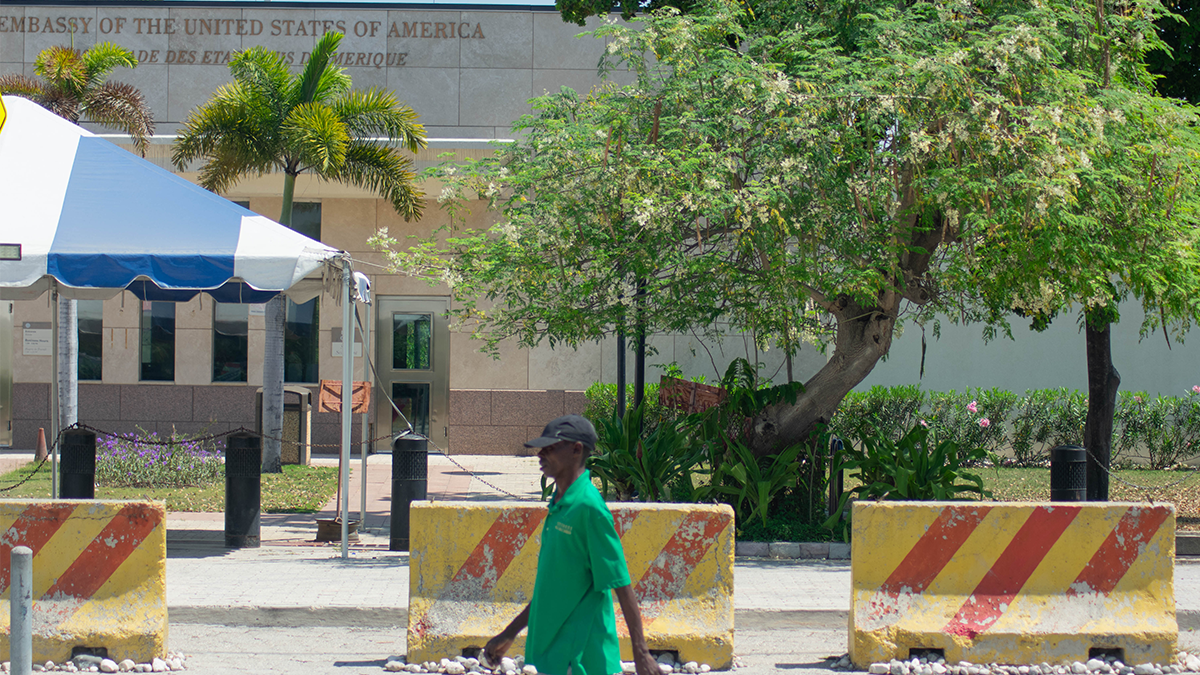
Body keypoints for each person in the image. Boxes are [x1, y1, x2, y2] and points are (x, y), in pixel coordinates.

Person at [484, 414, 659, 675]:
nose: (540, 454)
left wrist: (641, 653)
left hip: (581, 657)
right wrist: (509, 633)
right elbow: (552, 588)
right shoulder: (559, 504)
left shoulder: (589, 508)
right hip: (551, 651)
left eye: (550, 448)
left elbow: (621, 583)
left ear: (576, 449)